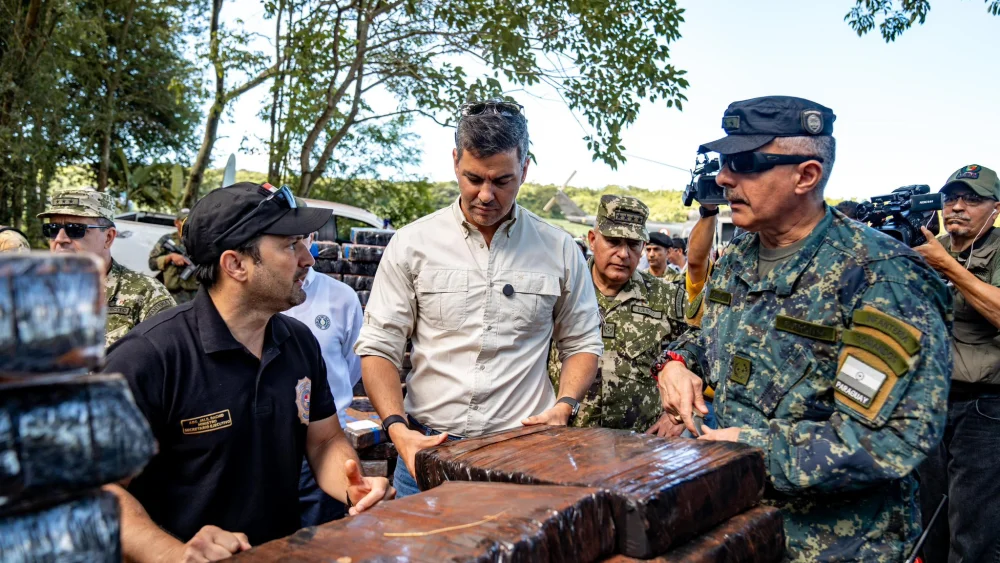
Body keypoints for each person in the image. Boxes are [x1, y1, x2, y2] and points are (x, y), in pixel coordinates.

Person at [657, 96, 952, 562]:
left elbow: (892, 438)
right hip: (743, 527)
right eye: (723, 161)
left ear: (806, 175)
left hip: (838, 546)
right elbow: (707, 339)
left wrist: (753, 449)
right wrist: (675, 365)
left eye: (745, 163)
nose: (722, 177)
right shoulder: (738, 256)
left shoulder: (880, 276)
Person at [102, 183, 393, 561]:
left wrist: (352, 483)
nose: (308, 258)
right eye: (290, 246)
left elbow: (322, 442)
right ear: (235, 264)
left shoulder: (300, 343)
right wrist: (173, 553)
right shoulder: (149, 357)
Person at [356, 98, 603, 498]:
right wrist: (398, 432)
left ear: (524, 169)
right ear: (455, 161)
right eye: (474, 178)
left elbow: (582, 341)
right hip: (427, 451)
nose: (486, 195)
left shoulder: (558, 249)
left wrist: (565, 406)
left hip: (522, 453)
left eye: (502, 181)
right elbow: (379, 346)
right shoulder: (412, 243)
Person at [914, 164, 1000, 563]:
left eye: (973, 199)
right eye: (951, 198)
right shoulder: (930, 246)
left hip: (985, 407)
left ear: (995, 208)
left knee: (974, 531)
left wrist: (947, 267)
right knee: (930, 520)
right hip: (930, 404)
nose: (958, 208)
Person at [549, 195, 687, 436]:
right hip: (566, 442)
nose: (623, 254)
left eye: (633, 244)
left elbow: (709, 343)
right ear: (593, 240)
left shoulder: (666, 297)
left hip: (640, 446)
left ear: (642, 247)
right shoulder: (561, 289)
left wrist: (678, 414)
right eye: (613, 241)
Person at [284, 216, 364, 527]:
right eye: (289, 243)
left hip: (327, 443)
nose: (305, 254)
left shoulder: (341, 297)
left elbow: (351, 367)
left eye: (304, 238)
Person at [39, 186, 174, 347]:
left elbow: (173, 361)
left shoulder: (146, 294)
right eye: (52, 229)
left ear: (108, 237)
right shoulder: (31, 290)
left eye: (74, 229)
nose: (60, 239)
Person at [149, 208, 199, 304]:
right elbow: (152, 264)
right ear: (176, 223)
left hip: (195, 295)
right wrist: (170, 257)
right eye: (183, 221)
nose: (187, 223)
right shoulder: (167, 240)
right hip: (172, 295)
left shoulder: (199, 240)